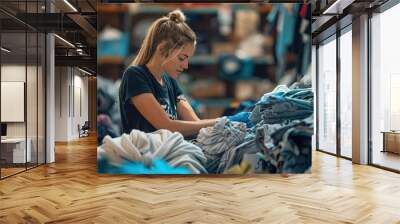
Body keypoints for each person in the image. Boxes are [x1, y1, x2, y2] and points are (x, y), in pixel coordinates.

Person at [119, 9, 216, 137]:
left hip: (168, 150)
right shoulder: (135, 76)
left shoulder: (170, 82)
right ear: (162, 49)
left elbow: (195, 124)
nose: (186, 65)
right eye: (182, 58)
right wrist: (221, 121)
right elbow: (167, 126)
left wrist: (226, 124)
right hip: (144, 154)